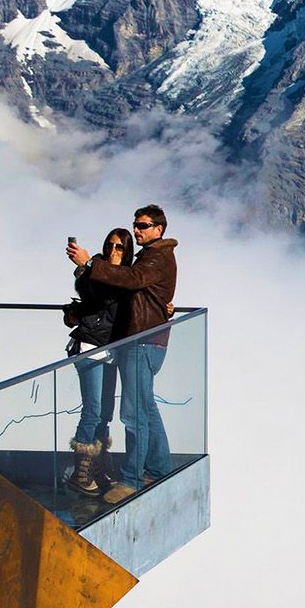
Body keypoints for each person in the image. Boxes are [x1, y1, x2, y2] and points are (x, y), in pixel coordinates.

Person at [68, 204, 178, 504]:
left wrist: (90, 263)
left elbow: (133, 280)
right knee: (145, 408)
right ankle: (158, 468)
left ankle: (131, 480)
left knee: (134, 413)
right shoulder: (150, 257)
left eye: (143, 226)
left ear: (159, 229)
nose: (137, 229)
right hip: (141, 341)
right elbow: (132, 292)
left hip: (142, 342)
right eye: (136, 225)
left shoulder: (155, 257)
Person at [63, 227, 133, 497]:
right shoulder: (96, 270)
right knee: (92, 410)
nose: (114, 251)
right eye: (110, 245)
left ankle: (97, 466)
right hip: (90, 346)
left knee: (105, 412)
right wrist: (86, 267)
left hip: (111, 349)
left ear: (127, 252)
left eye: (120, 247)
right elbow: (93, 294)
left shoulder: (126, 275)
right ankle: (81, 473)